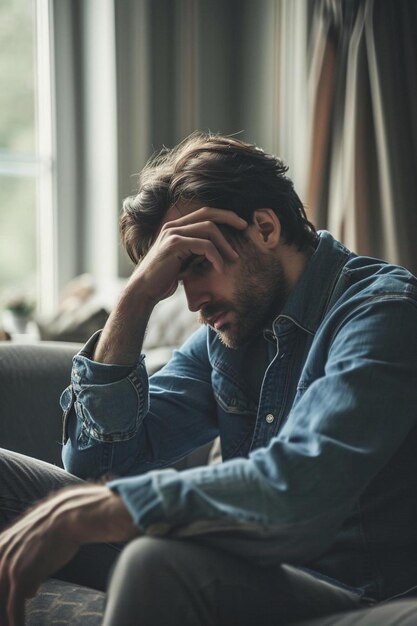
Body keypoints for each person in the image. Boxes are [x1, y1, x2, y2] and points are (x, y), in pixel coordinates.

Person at [1, 132, 417, 626]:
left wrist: (113, 507)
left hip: (353, 593)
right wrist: (136, 298)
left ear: (264, 227)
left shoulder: (382, 313)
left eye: (198, 265)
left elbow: (302, 489)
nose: (193, 300)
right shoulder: (233, 334)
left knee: (154, 562)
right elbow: (96, 465)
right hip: (250, 566)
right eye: (177, 279)